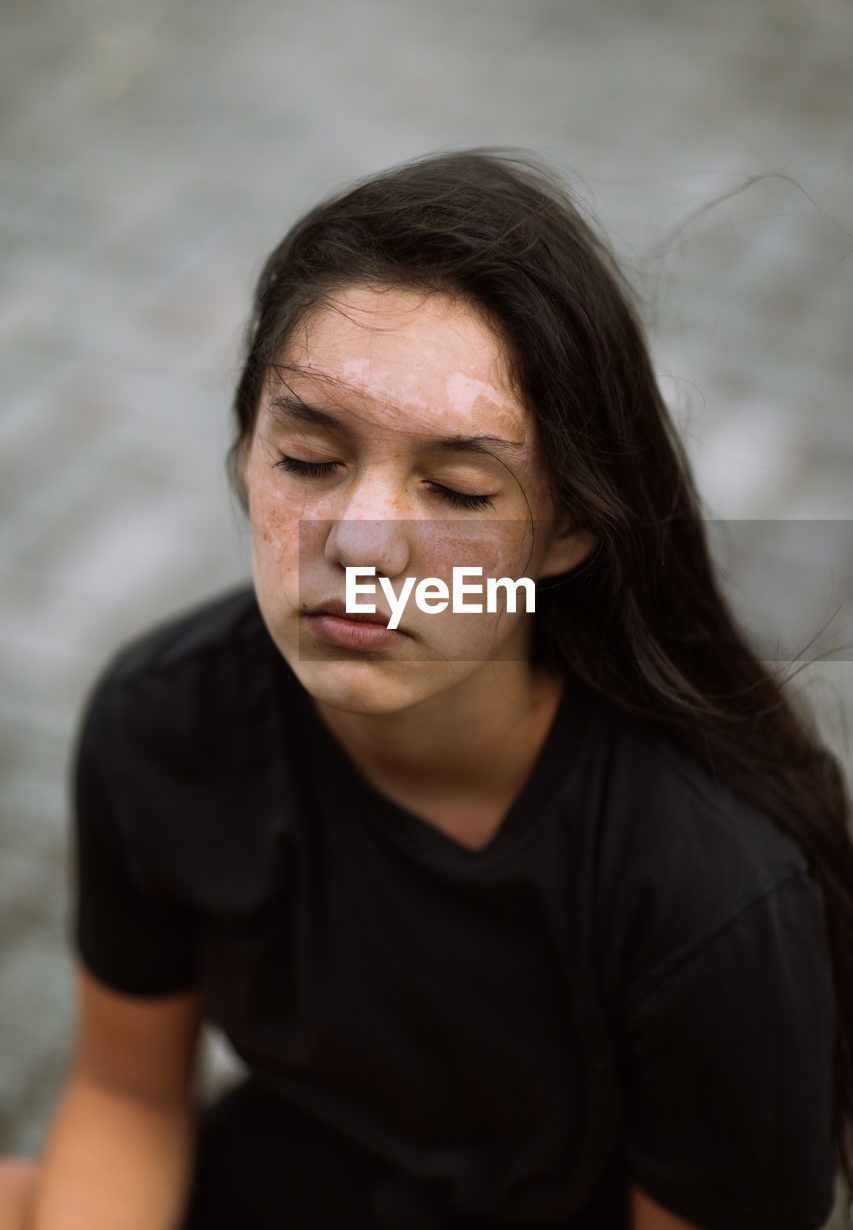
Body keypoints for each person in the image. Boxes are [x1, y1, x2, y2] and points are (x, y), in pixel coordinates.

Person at [3, 149, 852, 1230]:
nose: (359, 539)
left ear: (572, 527)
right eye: (308, 458)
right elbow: (125, 1095)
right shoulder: (164, 721)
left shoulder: (710, 894)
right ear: (245, 453)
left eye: (456, 487)